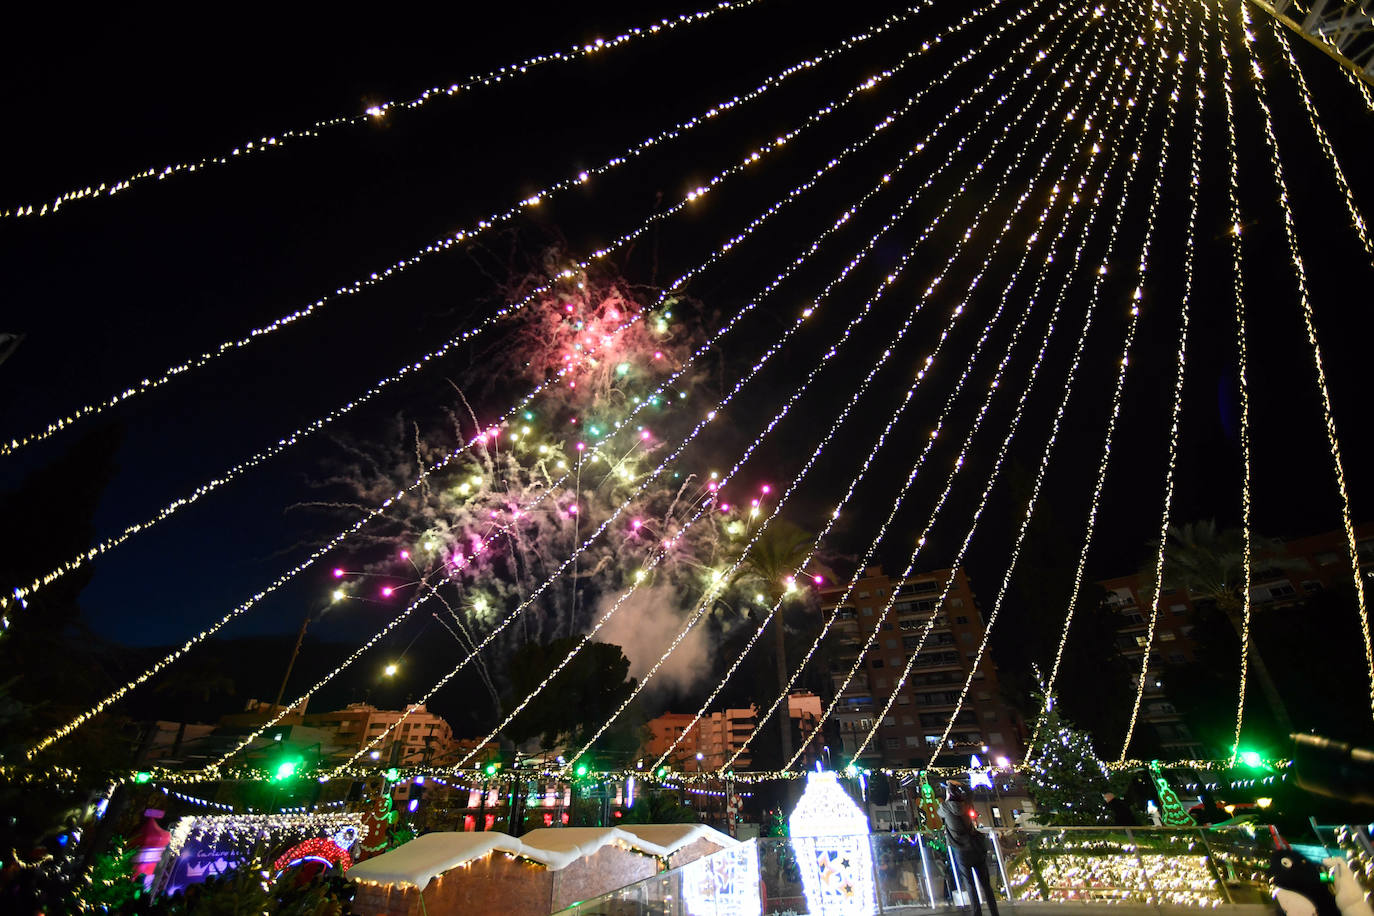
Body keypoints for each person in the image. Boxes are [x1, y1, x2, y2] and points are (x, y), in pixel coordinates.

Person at [939, 780, 1000, 916]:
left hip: (962, 851)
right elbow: (970, 792)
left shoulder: (944, 807)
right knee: (986, 885)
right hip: (976, 848)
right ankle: (994, 913)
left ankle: (976, 913)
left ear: (948, 794)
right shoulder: (966, 804)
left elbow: (939, 812)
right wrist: (959, 785)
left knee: (970, 884)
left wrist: (948, 795)